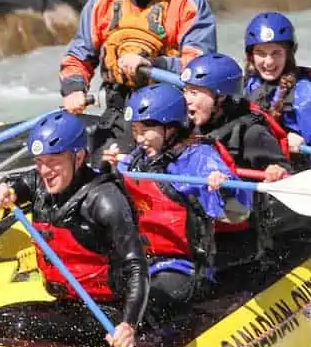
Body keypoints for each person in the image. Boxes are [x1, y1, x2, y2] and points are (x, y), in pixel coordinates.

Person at [0, 111, 148, 347]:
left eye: (53, 161)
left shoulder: (106, 200)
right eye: (39, 161)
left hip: (105, 312)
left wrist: (128, 325)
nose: (45, 170)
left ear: (79, 157)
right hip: (65, 305)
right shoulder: (36, 183)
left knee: (20, 326)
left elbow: (137, 266)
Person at [59, 0, 217, 158]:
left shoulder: (187, 2)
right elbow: (79, 55)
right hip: (119, 109)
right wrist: (74, 88)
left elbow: (200, 68)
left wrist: (152, 65)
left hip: (168, 113)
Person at [108, 84, 252, 319]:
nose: (139, 138)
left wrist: (221, 187)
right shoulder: (138, 158)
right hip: (142, 260)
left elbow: (238, 213)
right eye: (135, 130)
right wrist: (114, 166)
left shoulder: (198, 157)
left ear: (171, 127)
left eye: (146, 130)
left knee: (146, 304)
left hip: (184, 266)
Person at [181, 52, 296, 267]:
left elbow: (284, 171)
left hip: (241, 238)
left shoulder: (252, 133)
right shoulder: (188, 125)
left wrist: (276, 171)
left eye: (195, 93)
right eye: (186, 91)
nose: (187, 99)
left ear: (221, 97)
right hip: (198, 230)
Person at [242, 12, 311, 168]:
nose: (269, 62)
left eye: (276, 53)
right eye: (261, 53)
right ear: (251, 56)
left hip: (295, 175)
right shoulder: (249, 84)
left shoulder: (305, 93)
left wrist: (305, 149)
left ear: (288, 54)